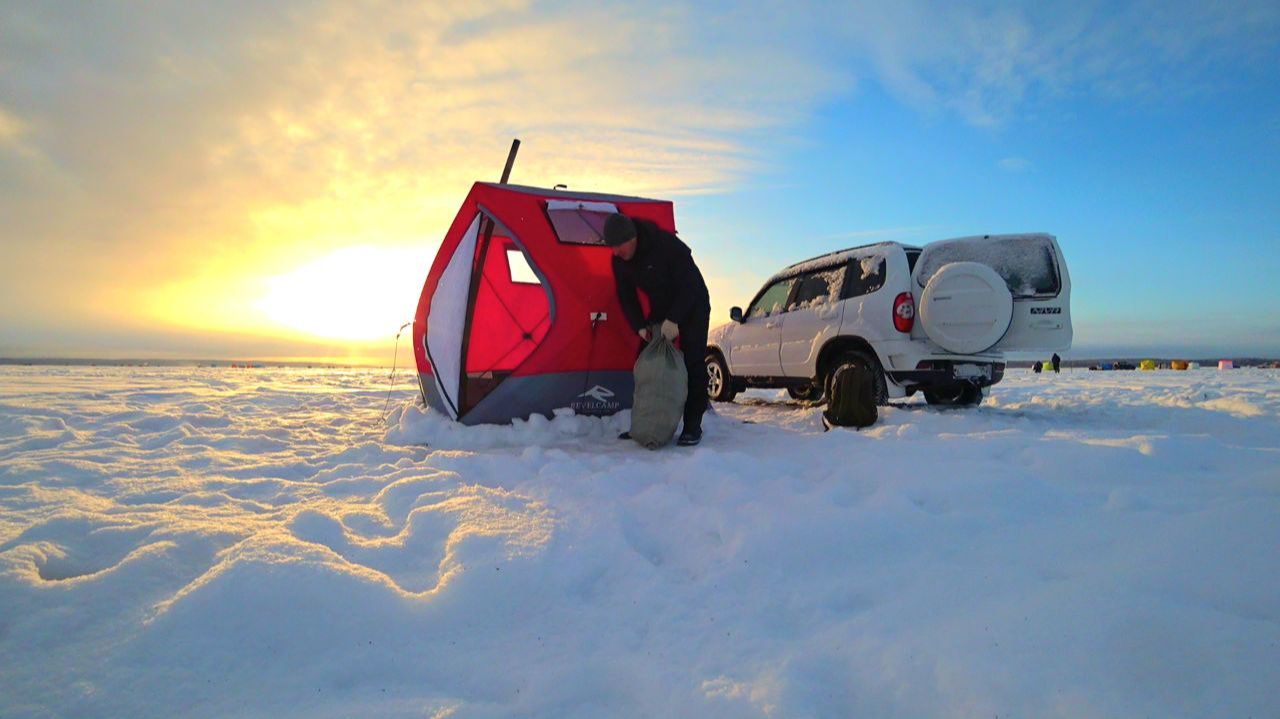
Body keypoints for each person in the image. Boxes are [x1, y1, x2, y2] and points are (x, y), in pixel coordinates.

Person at [603, 212, 711, 446]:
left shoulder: (666, 245)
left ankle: (692, 426)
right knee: (645, 360)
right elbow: (626, 296)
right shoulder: (620, 260)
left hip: (693, 303)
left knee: (693, 362)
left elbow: (690, 285)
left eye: (618, 245)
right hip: (662, 306)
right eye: (612, 247)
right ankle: (645, 423)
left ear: (632, 238)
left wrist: (675, 319)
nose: (615, 252)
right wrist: (639, 326)